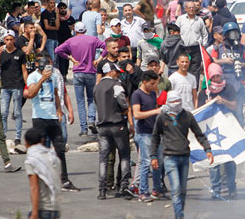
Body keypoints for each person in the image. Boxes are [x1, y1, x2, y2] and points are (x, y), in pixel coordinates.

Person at [150, 91, 214, 219]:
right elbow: (155, 137)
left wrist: (207, 149)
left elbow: (199, 134)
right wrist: (153, 156)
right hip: (169, 158)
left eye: (178, 101)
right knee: (176, 188)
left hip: (184, 157)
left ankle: (178, 218)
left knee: (183, 191)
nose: (176, 104)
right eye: (173, 101)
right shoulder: (162, 118)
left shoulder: (187, 116)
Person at [24, 52, 80, 193]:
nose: (46, 67)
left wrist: (59, 110)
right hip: (39, 117)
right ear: (37, 64)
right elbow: (30, 94)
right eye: (43, 64)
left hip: (53, 118)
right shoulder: (33, 76)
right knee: (41, 150)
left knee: (60, 149)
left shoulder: (54, 76)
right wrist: (42, 79)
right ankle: (42, 180)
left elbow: (56, 93)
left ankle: (64, 180)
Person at [55, 21, 106, 139]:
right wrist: (99, 59)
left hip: (78, 72)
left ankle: (83, 128)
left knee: (80, 101)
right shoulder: (92, 39)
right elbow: (105, 47)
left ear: (75, 31)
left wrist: (70, 58)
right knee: (91, 99)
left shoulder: (71, 41)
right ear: (85, 30)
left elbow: (58, 50)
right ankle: (91, 120)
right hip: (90, 71)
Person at [93, 62, 133, 200]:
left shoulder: (97, 87)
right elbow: (123, 102)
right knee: (124, 155)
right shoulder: (116, 85)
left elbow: (97, 104)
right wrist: (124, 109)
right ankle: (124, 185)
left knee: (103, 159)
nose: (119, 74)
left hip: (102, 126)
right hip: (117, 124)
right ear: (110, 72)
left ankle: (102, 190)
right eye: (117, 72)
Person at [203, 63, 238, 200]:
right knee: (214, 161)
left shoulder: (229, 88)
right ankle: (215, 189)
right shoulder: (206, 91)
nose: (217, 79)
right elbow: (200, 110)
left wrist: (224, 102)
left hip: (227, 128)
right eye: (214, 76)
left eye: (218, 75)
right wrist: (207, 103)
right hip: (212, 130)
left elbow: (235, 106)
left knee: (229, 160)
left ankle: (231, 187)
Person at [23, 127, 62, 219]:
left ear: (26, 143)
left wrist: (34, 213)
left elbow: (34, 188)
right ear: (42, 141)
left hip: (42, 209)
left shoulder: (32, 160)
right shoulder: (53, 157)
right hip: (55, 208)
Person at [131, 70, 164, 203]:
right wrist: (155, 111)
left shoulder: (152, 93)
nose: (154, 85)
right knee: (145, 162)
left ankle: (156, 189)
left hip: (155, 132)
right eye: (152, 83)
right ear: (144, 82)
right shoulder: (137, 95)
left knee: (158, 162)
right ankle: (143, 192)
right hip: (144, 132)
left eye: (156, 83)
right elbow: (137, 114)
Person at [176, 1, 208, 84]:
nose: (191, 9)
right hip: (183, 48)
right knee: (184, 68)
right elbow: (176, 33)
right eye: (189, 7)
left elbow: (204, 34)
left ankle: (194, 89)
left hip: (196, 49)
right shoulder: (180, 19)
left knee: (195, 70)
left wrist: (203, 46)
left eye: (193, 7)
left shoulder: (199, 20)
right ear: (185, 9)